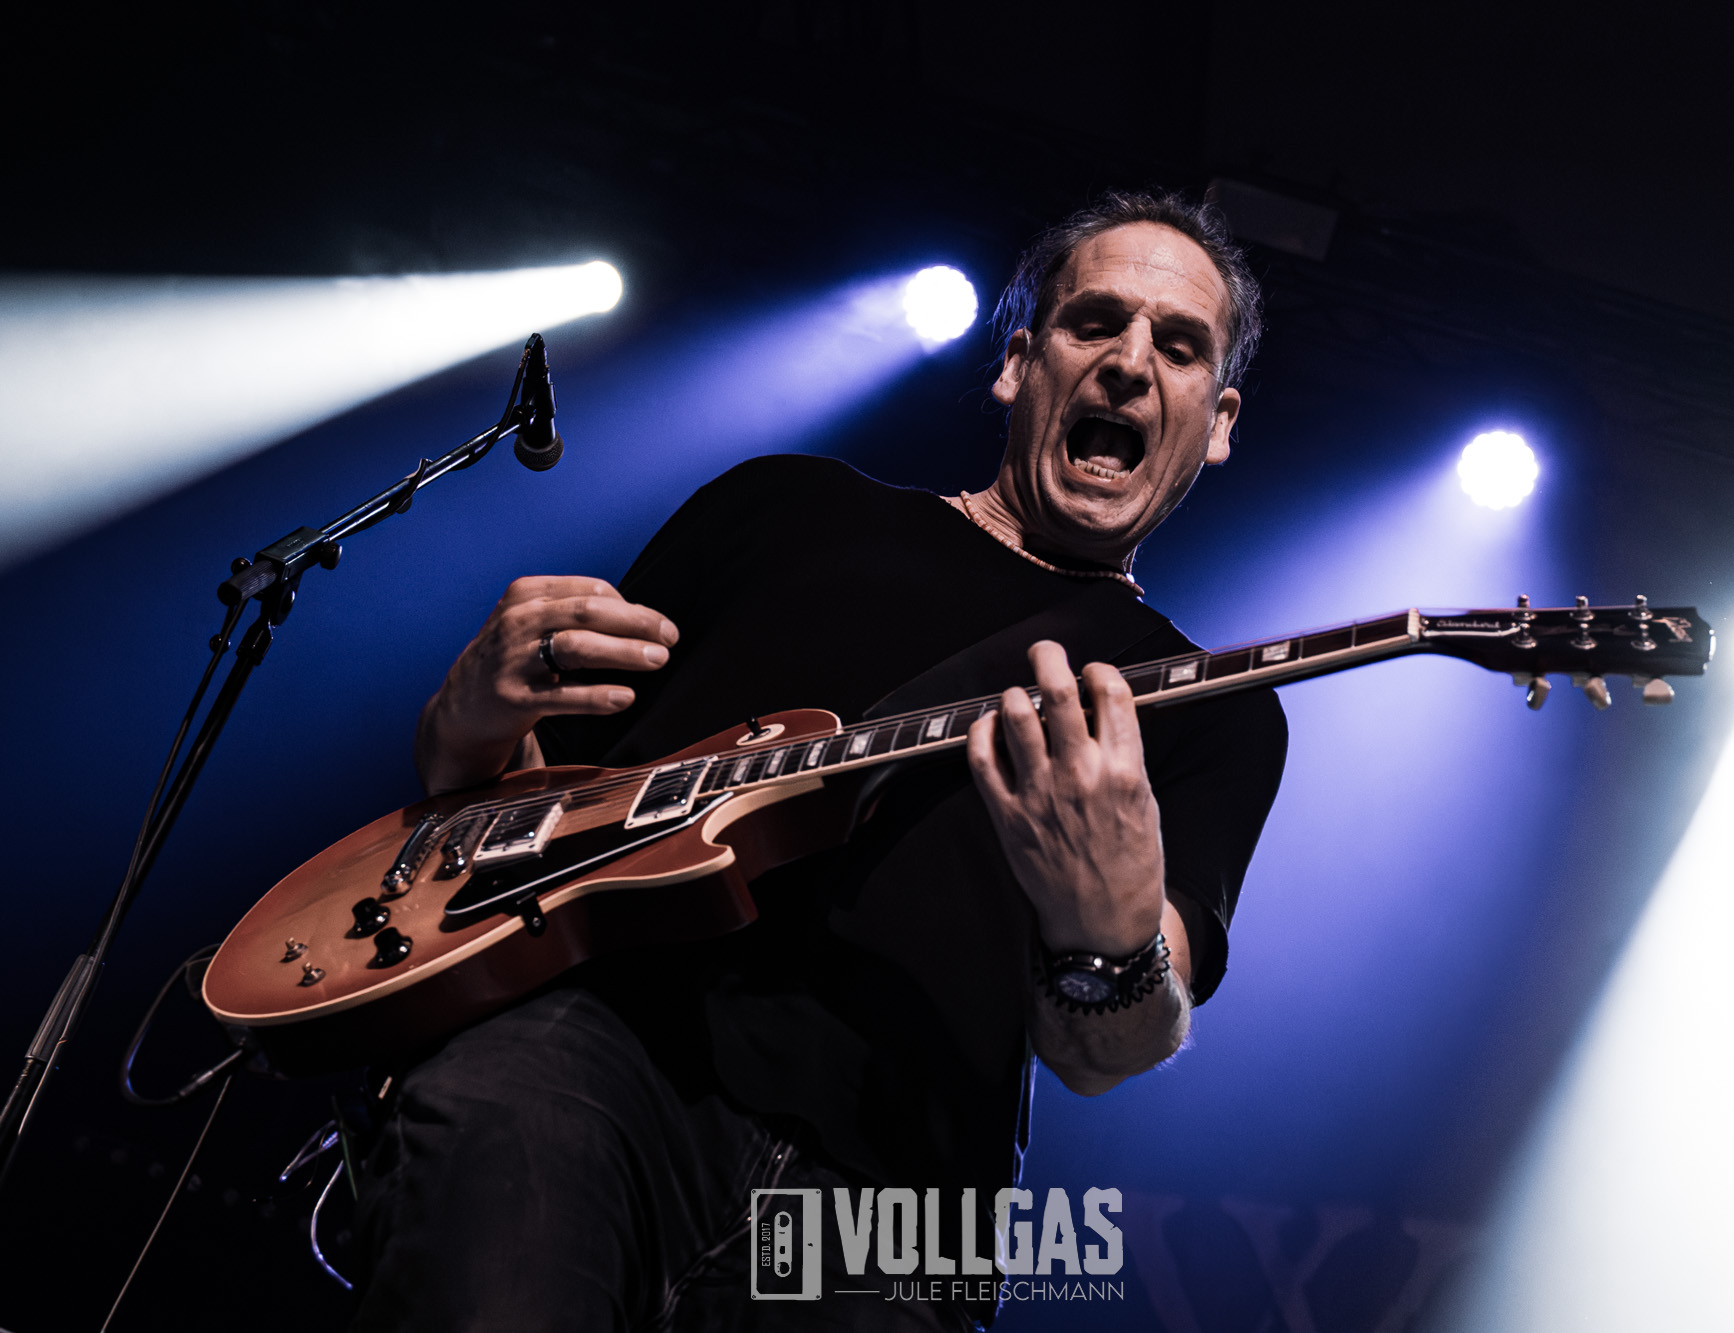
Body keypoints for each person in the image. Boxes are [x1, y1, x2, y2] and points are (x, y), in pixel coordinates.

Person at [352, 192, 1289, 1332]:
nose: (1130, 363)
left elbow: (1106, 1053)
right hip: (603, 1049)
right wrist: (463, 720)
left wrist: (1108, 935)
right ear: (1017, 363)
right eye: (1094, 323)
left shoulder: (1213, 707)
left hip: (909, 1200)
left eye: (1178, 346)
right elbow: (523, 805)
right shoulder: (783, 506)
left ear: (1217, 420)